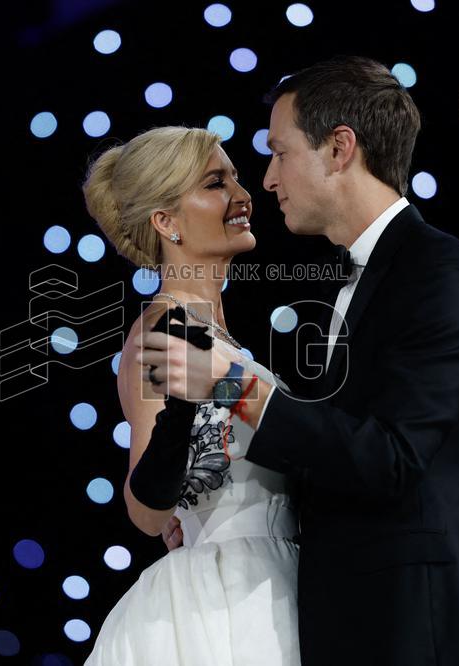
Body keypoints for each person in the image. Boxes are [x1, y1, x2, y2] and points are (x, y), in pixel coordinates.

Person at [141, 57, 459, 665]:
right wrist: (210, 502)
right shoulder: (342, 286)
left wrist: (234, 387)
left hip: (423, 629)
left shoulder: (440, 272)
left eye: (280, 153)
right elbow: (335, 451)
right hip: (339, 620)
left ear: (340, 149)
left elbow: (392, 458)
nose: (268, 180)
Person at [82, 126, 302, 665]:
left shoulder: (211, 333)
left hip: (272, 579)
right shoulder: (166, 331)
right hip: (228, 603)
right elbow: (145, 510)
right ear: (166, 222)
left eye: (236, 178)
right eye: (215, 183)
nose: (243, 195)